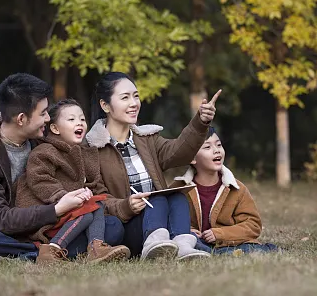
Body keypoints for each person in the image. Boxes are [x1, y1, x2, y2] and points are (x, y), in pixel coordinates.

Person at [0, 73, 121, 263]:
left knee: (112, 226)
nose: (48, 118)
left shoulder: (42, 141)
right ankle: (34, 253)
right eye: (43, 113)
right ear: (21, 119)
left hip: (42, 228)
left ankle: (22, 254)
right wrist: (55, 209)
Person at [85, 71, 220, 260]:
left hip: (160, 219)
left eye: (136, 96)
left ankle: (182, 246)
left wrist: (200, 122)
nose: (134, 103)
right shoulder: (92, 148)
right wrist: (126, 206)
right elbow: (96, 199)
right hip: (127, 226)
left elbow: (179, 152)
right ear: (105, 105)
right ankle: (153, 246)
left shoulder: (147, 139)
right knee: (157, 198)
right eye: (125, 98)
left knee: (176, 197)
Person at [15, 99, 130, 264]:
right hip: (49, 214)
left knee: (111, 222)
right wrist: (63, 197)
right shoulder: (44, 152)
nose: (80, 123)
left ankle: (95, 247)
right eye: (72, 120)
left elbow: (97, 189)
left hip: (76, 216)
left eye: (82, 119)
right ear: (54, 128)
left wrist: (121, 205)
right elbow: (40, 179)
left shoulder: (86, 155)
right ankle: (53, 249)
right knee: (89, 205)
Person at [171, 127, 278, 255]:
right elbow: (169, 220)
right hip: (195, 242)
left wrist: (220, 234)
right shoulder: (179, 188)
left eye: (219, 145)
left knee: (248, 248)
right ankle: (206, 251)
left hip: (228, 243)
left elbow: (253, 225)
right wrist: (189, 231)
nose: (217, 151)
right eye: (207, 147)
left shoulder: (237, 188)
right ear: (192, 158)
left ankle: (213, 253)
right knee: (186, 242)